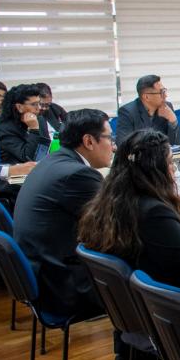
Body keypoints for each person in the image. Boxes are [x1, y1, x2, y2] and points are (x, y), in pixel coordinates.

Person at [14, 109, 113, 320]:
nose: (113, 145)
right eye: (109, 137)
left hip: (42, 274)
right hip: (65, 286)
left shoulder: (53, 162)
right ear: (88, 141)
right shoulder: (78, 175)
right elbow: (116, 223)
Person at [79, 129, 180, 291]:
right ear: (154, 168)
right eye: (170, 162)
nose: (174, 169)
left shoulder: (110, 201)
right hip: (169, 300)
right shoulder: (155, 214)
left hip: (133, 303)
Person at [116, 74, 180, 145]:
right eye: (161, 92)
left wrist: (173, 121)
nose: (165, 95)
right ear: (146, 97)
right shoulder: (127, 112)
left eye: (165, 91)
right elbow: (122, 145)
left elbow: (174, 144)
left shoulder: (166, 107)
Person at [0, 84, 49, 164]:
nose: (39, 108)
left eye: (39, 103)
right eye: (34, 104)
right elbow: (27, 157)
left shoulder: (39, 119)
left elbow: (45, 149)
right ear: (19, 107)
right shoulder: (4, 129)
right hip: (18, 173)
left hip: (41, 168)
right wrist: (34, 130)